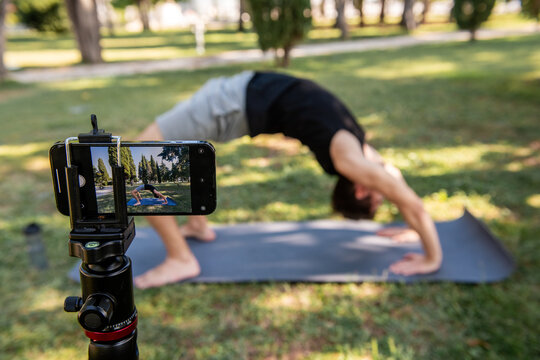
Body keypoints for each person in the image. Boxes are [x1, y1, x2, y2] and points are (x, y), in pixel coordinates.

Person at [134, 71, 443, 289]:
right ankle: (186, 246)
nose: (385, 195)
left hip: (240, 97)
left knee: (139, 167)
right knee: (140, 162)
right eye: (379, 197)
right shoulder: (353, 159)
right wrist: (431, 256)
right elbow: (406, 196)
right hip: (234, 100)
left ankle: (182, 257)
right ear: (362, 187)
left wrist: (409, 229)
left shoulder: (356, 153)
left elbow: (397, 186)